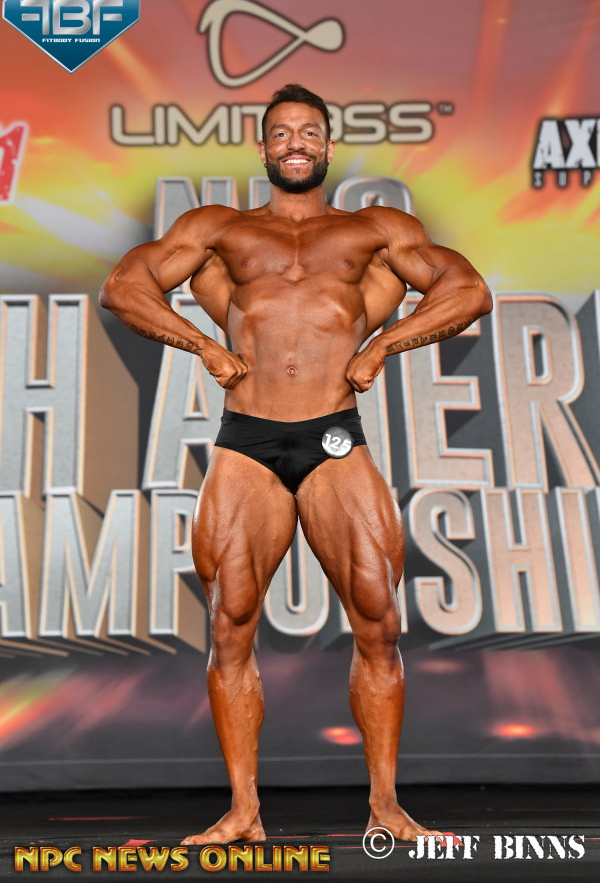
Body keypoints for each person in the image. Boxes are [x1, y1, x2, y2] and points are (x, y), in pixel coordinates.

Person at [100, 83, 493, 846]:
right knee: (230, 626)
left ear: (328, 144)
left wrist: (383, 345)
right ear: (264, 147)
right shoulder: (218, 229)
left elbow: (469, 291)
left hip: (334, 436)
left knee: (378, 621)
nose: (296, 143)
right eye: (281, 133)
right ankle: (244, 811)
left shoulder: (374, 230)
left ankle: (387, 806)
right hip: (247, 440)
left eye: (308, 131)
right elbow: (124, 288)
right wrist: (202, 345)